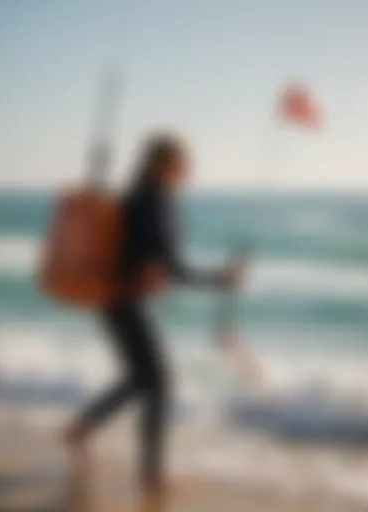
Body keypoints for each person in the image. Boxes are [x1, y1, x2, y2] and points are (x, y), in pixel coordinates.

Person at [64, 133, 239, 511]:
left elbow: (154, 261)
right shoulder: (153, 201)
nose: (188, 170)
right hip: (124, 301)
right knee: (159, 382)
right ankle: (150, 473)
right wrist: (219, 278)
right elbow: (171, 268)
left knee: (140, 378)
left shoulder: (139, 196)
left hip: (114, 300)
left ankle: (81, 429)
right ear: (164, 165)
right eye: (182, 163)